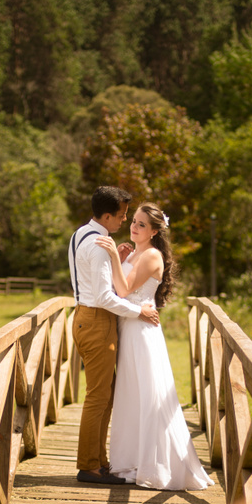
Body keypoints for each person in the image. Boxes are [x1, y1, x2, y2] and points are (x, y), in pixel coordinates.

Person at [95, 202, 212, 491]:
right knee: (130, 396)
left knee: (147, 395)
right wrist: (122, 257)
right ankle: (132, 461)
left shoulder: (151, 255)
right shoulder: (135, 253)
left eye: (142, 224)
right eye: (133, 221)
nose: (134, 227)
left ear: (155, 231)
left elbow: (123, 290)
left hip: (141, 333)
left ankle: (155, 464)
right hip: (128, 327)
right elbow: (117, 288)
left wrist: (113, 257)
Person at [70, 187, 160, 485]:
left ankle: (99, 461)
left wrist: (116, 262)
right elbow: (105, 297)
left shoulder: (80, 234)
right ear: (107, 216)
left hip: (86, 317)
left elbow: (93, 282)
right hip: (97, 321)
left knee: (104, 395)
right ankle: (89, 466)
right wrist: (139, 312)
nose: (124, 221)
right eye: (122, 215)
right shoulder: (99, 245)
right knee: (98, 397)